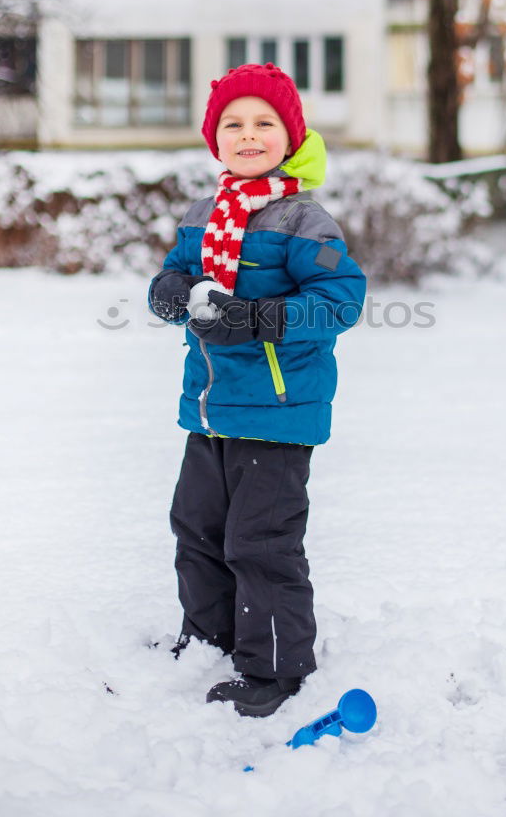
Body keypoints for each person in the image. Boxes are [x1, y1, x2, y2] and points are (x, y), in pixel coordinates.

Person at [147, 62, 366, 718]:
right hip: (210, 408)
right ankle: (212, 636)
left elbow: (341, 298)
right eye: (232, 124)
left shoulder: (304, 220)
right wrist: (171, 295)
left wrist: (263, 318)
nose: (248, 135)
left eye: (263, 123)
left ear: (289, 135)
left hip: (276, 412)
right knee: (197, 529)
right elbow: (171, 279)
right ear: (216, 139)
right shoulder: (201, 214)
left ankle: (275, 665)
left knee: (259, 541)